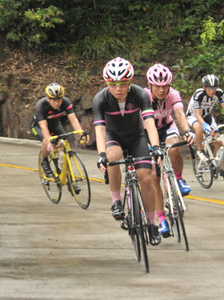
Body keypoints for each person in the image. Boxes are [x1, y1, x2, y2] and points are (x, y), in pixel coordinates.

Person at [92, 57, 168, 244]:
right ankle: (116, 201)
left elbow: (150, 123)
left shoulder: (140, 94)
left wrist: (156, 147)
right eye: (113, 84)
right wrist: (101, 155)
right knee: (113, 156)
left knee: (146, 178)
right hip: (113, 137)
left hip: (136, 137)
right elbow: (100, 130)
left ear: (130, 82)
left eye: (123, 84)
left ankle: (151, 224)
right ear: (107, 83)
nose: (118, 88)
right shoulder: (100, 99)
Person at [145, 63, 195, 206]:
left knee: (173, 147)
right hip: (147, 130)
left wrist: (186, 131)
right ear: (150, 84)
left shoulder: (173, 94)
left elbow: (179, 113)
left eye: (165, 86)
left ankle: (179, 179)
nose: (161, 90)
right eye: (157, 86)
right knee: (153, 169)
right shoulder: (144, 96)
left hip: (166, 126)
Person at [187, 74, 224, 179]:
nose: (212, 90)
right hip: (194, 116)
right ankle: (200, 150)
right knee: (199, 128)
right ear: (204, 87)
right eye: (210, 88)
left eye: (214, 87)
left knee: (219, 141)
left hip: (207, 116)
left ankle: (222, 170)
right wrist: (205, 126)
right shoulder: (199, 94)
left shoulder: (219, 93)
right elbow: (198, 115)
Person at [35, 83, 86, 180]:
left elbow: (73, 119)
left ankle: (60, 165)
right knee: (47, 141)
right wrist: (49, 141)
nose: (56, 103)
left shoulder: (66, 102)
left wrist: (81, 133)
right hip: (39, 126)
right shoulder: (41, 106)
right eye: (53, 100)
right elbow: (44, 127)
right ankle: (44, 160)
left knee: (63, 142)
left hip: (55, 125)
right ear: (48, 98)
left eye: (59, 99)